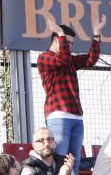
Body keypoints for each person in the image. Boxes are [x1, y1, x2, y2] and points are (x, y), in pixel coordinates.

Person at [36, 18, 105, 159]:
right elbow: (62, 60)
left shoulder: (70, 60)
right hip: (58, 115)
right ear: (57, 40)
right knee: (60, 158)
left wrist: (96, 35)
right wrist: (60, 32)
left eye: (72, 44)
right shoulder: (44, 57)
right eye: (67, 43)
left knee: (75, 160)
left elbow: (90, 60)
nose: (70, 47)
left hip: (77, 116)